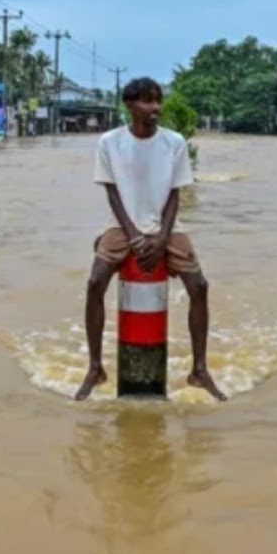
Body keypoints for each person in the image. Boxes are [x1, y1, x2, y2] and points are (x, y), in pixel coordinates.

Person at [75, 77, 226, 401]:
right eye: (146, 101)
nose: (155, 107)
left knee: (199, 286)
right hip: (122, 222)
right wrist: (132, 236)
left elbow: (175, 196)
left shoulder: (174, 142)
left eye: (158, 100)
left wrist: (161, 240)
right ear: (130, 105)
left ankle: (199, 370)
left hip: (167, 224)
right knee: (94, 283)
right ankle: (95, 368)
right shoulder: (109, 142)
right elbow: (112, 193)